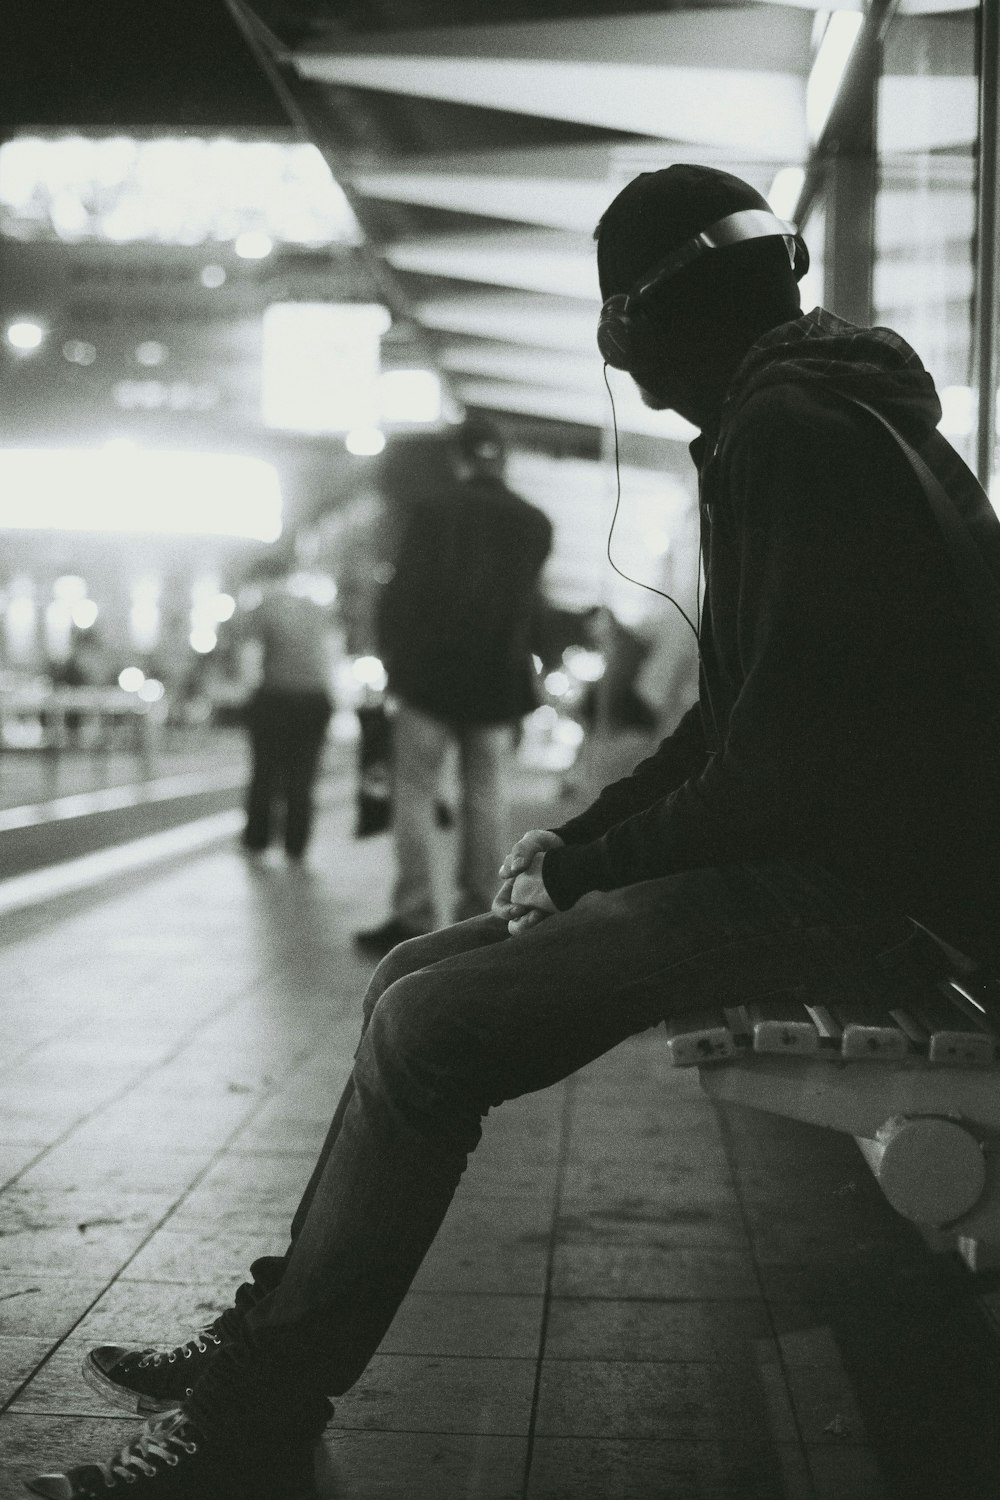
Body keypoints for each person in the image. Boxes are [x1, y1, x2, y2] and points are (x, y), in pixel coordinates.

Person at [30, 163, 1000, 1499]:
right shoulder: (818, 415)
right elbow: (731, 734)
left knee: (431, 1034)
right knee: (408, 976)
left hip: (872, 896)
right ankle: (271, 1336)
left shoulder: (793, 437)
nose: (622, 357)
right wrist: (576, 844)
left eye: (622, 321)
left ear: (652, 317)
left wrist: (593, 866)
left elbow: (770, 771)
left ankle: (258, 1419)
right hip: (851, 866)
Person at [353, 418, 553, 957]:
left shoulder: (432, 512)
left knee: (414, 793)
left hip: (429, 677)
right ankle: (478, 914)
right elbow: (532, 605)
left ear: (459, 459)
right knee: (486, 796)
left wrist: (392, 662)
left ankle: (413, 913)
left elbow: (401, 593)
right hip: (495, 680)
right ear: (503, 460)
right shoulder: (535, 523)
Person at [238, 555, 334, 862]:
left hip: (275, 697)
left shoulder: (264, 606)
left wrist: (250, 692)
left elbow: (251, 656)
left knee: (265, 772)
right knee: (303, 775)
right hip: (315, 700)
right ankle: (296, 843)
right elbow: (331, 655)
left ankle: (257, 839)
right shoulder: (319, 610)